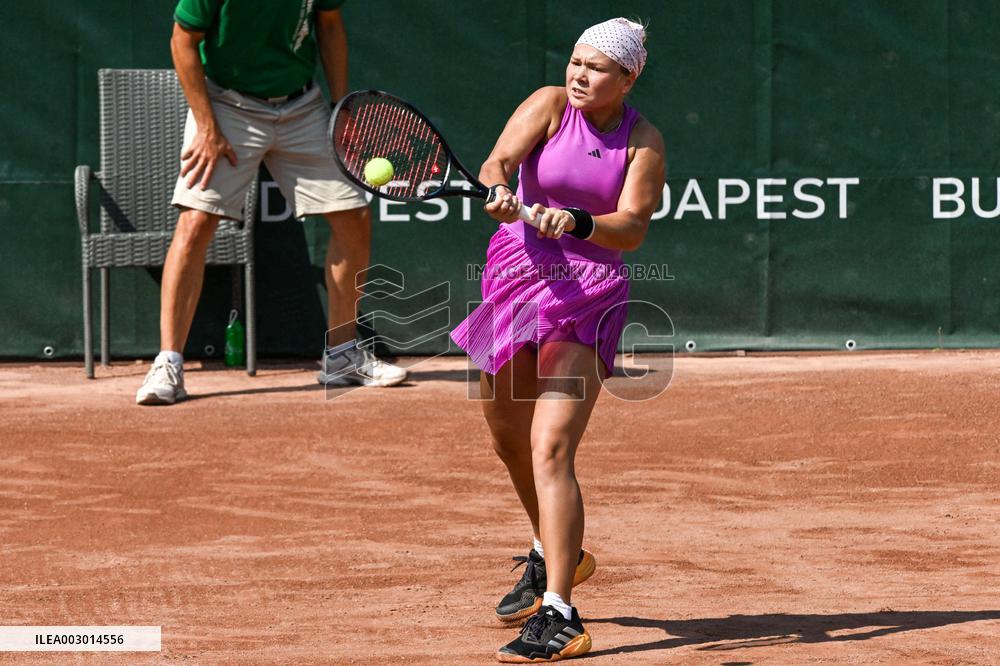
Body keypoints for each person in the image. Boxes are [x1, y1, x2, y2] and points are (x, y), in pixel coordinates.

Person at [450, 18, 665, 662]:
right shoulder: (546, 104)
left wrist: (575, 220)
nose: (578, 75)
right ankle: (552, 550)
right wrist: (496, 189)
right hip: (512, 278)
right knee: (506, 434)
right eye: (575, 61)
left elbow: (629, 229)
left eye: (596, 68)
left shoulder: (644, 141)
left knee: (550, 445)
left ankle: (560, 613)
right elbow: (499, 161)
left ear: (627, 78)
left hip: (586, 298)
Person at [135, 0, 407, 405]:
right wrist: (207, 126)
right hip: (226, 104)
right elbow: (183, 40)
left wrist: (340, 106)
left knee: (353, 217)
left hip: (302, 106)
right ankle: (169, 363)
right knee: (195, 223)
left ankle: (343, 356)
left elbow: (329, 26)